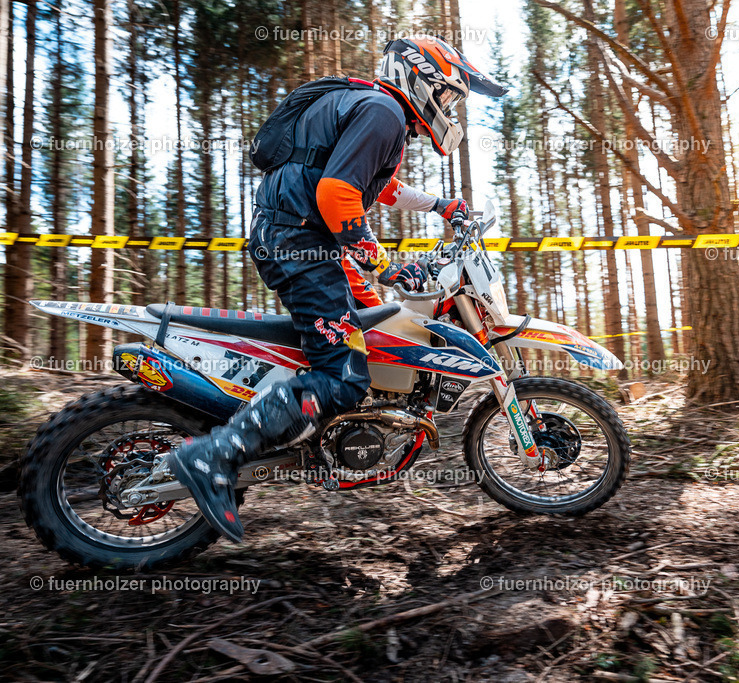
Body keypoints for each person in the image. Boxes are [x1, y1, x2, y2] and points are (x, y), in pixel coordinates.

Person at [167, 36, 507, 542]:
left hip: (296, 239)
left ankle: (313, 430)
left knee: (362, 337)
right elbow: (337, 192)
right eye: (448, 95)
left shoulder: (374, 107)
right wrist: (385, 266)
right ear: (422, 80)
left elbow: (380, 186)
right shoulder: (384, 111)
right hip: (298, 244)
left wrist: (441, 205)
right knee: (343, 376)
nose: (449, 108)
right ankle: (212, 456)